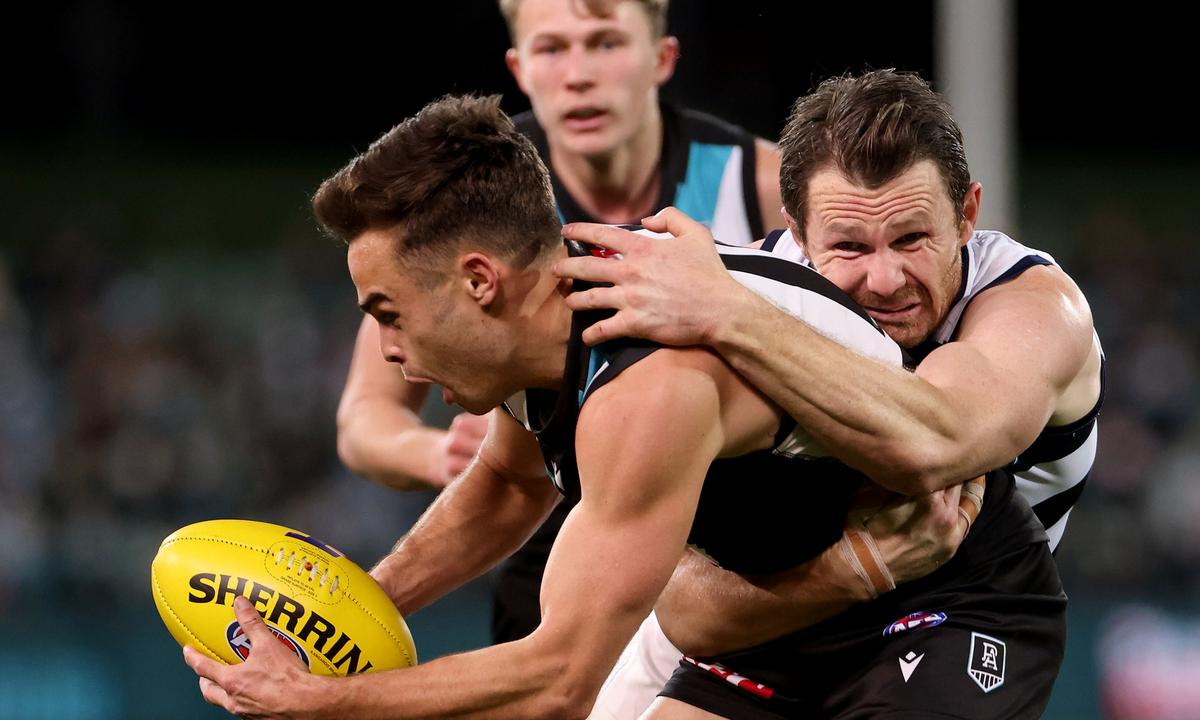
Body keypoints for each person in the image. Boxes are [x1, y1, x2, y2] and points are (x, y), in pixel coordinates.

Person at [184, 94, 1058, 719]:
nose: (388, 353)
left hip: (944, 593)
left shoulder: (647, 385)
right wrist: (344, 614)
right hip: (780, 611)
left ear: (481, 282)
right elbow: (503, 487)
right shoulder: (558, 307)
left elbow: (558, 679)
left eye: (389, 313)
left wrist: (320, 703)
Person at [558, 69, 1103, 717]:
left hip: (953, 605)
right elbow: (683, 604)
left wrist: (731, 316)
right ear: (798, 235)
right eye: (848, 245)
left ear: (967, 215)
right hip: (771, 605)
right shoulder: (747, 291)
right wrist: (855, 567)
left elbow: (941, 438)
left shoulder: (1033, 309)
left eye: (911, 238)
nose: (885, 278)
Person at [334, 0, 785, 647]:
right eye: (552, 49)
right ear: (518, 68)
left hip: (733, 549)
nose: (578, 74)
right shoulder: (470, 200)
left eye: (605, 44)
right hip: (549, 539)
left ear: (662, 59)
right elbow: (364, 419)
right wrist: (441, 452)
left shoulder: (760, 184)